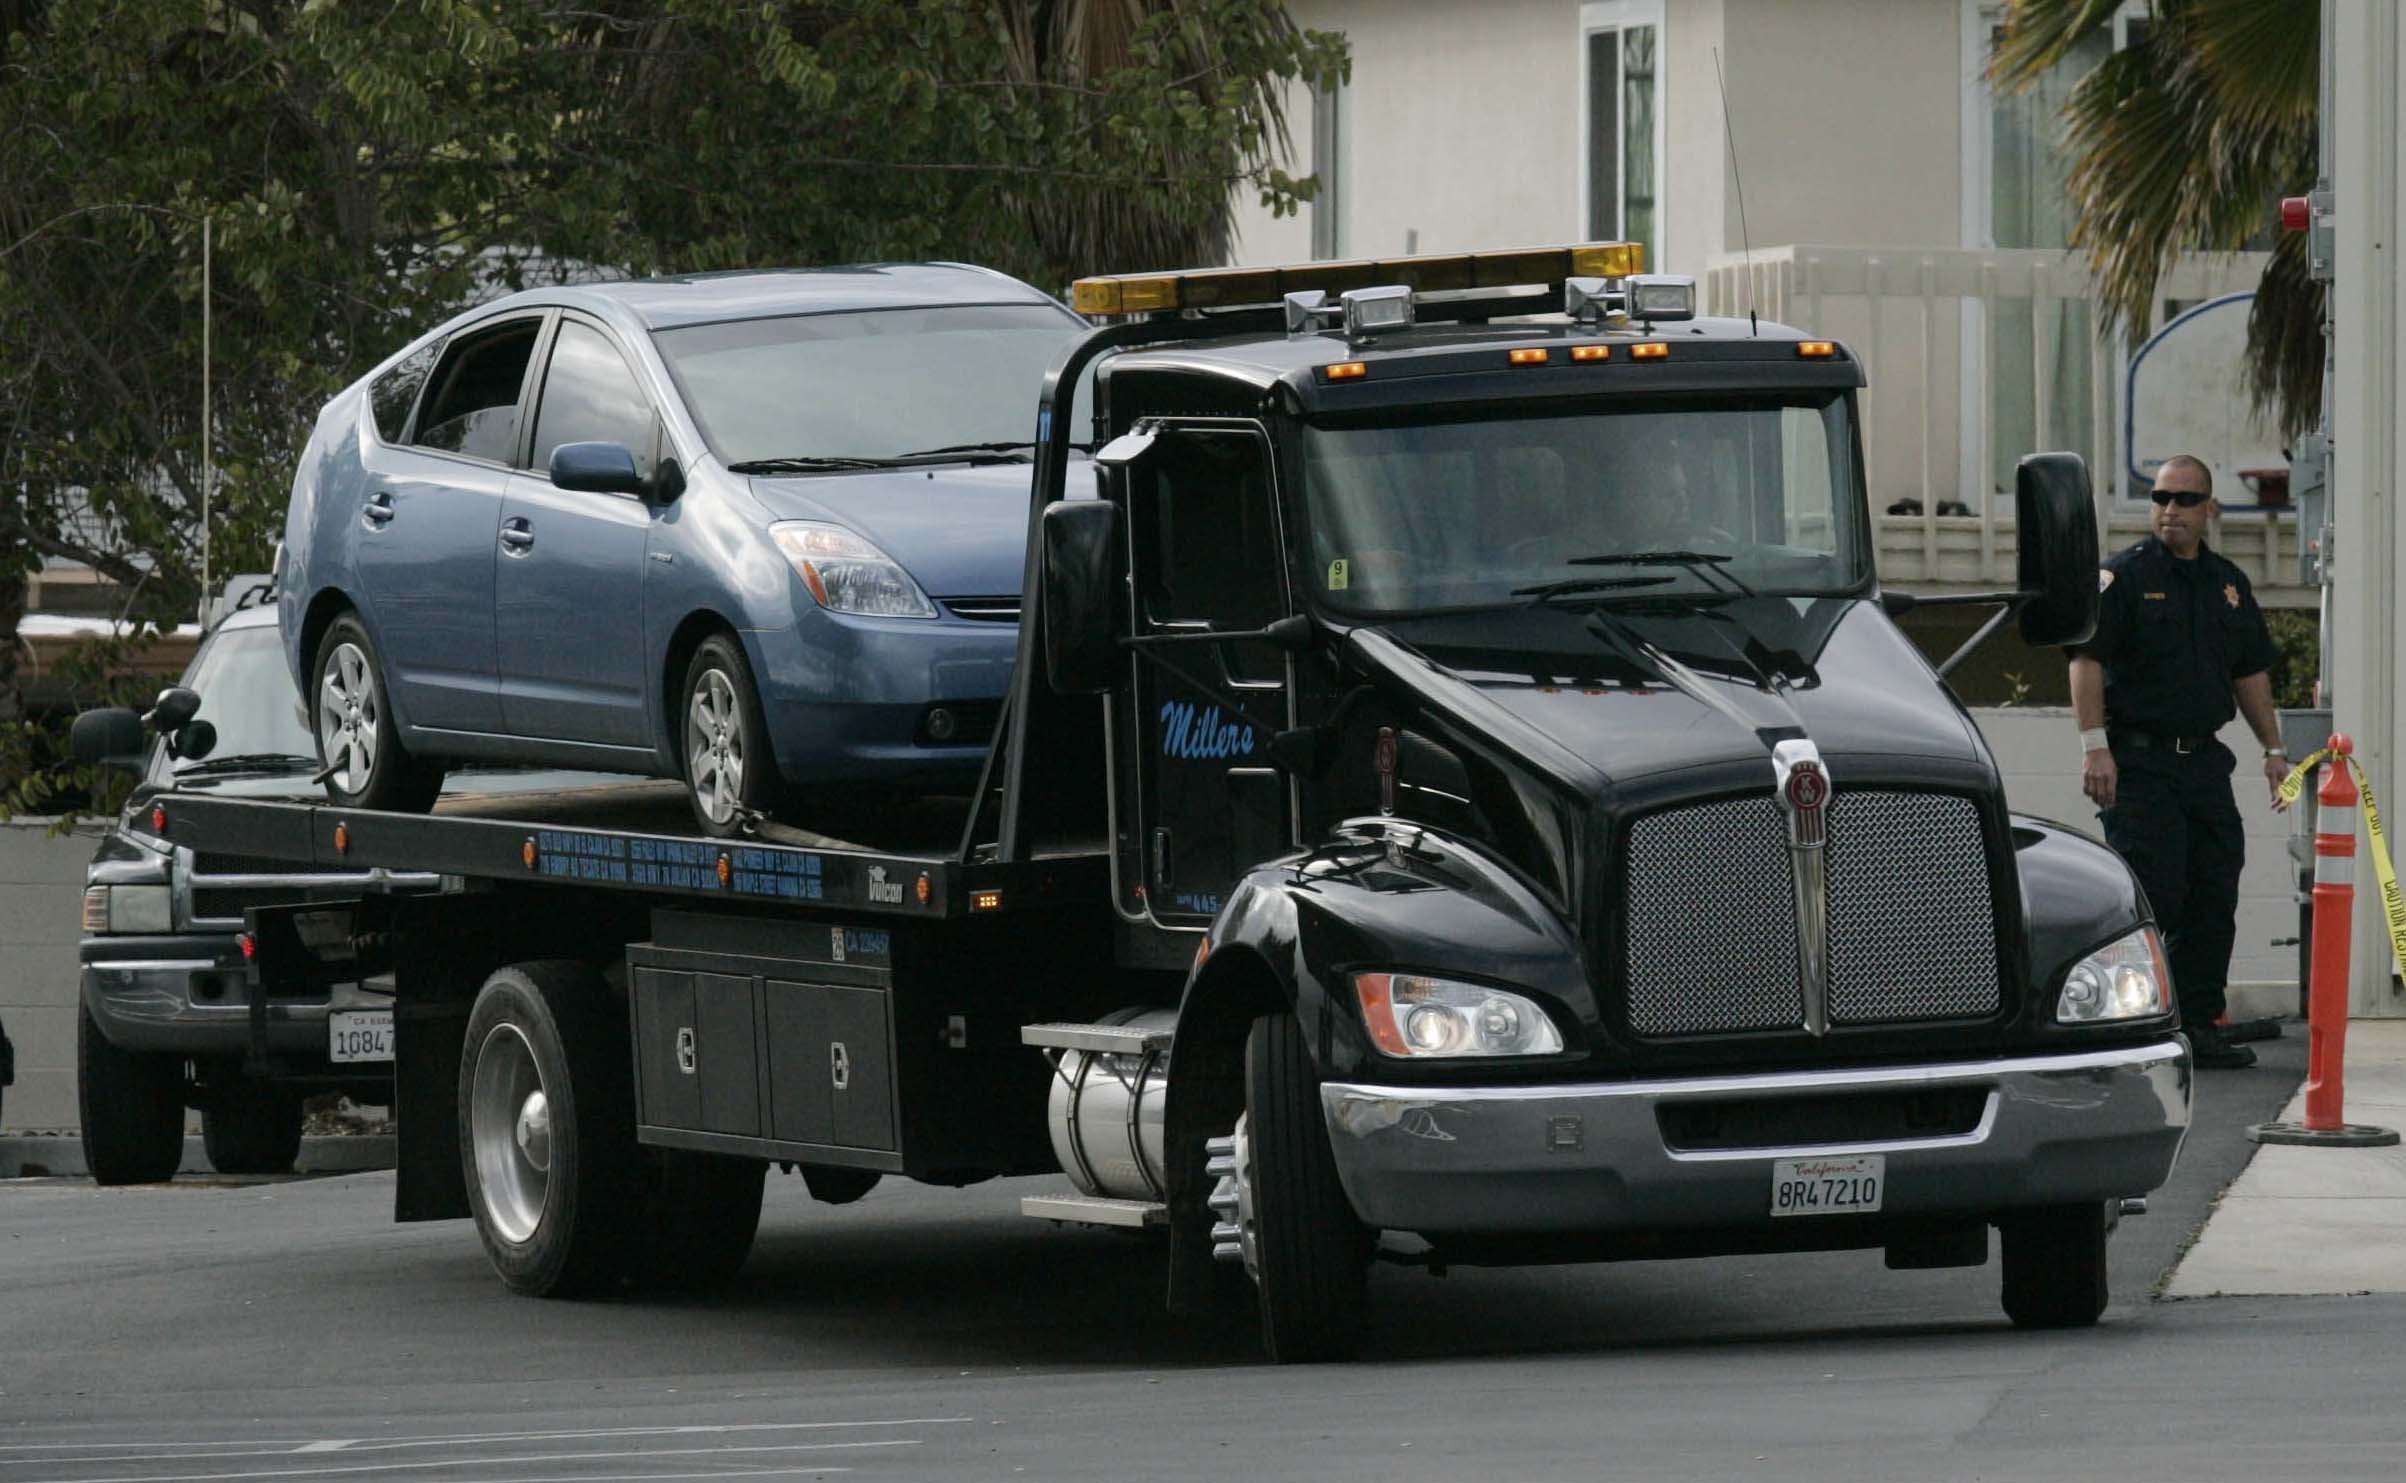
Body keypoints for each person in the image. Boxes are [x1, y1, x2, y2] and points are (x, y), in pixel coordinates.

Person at [2068, 453, 2287, 1068]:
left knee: (2213, 892)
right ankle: (2137, 1028)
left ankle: (2199, 1025)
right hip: (2140, 764)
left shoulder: (2226, 583)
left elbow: (2249, 671)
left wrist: (2273, 751)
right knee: (2155, 892)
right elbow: (2085, 661)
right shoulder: (2125, 577)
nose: (2171, 510)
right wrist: (2094, 748)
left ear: (2208, 509)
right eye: (2161, 497)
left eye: (2186, 499)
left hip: (2203, 768)